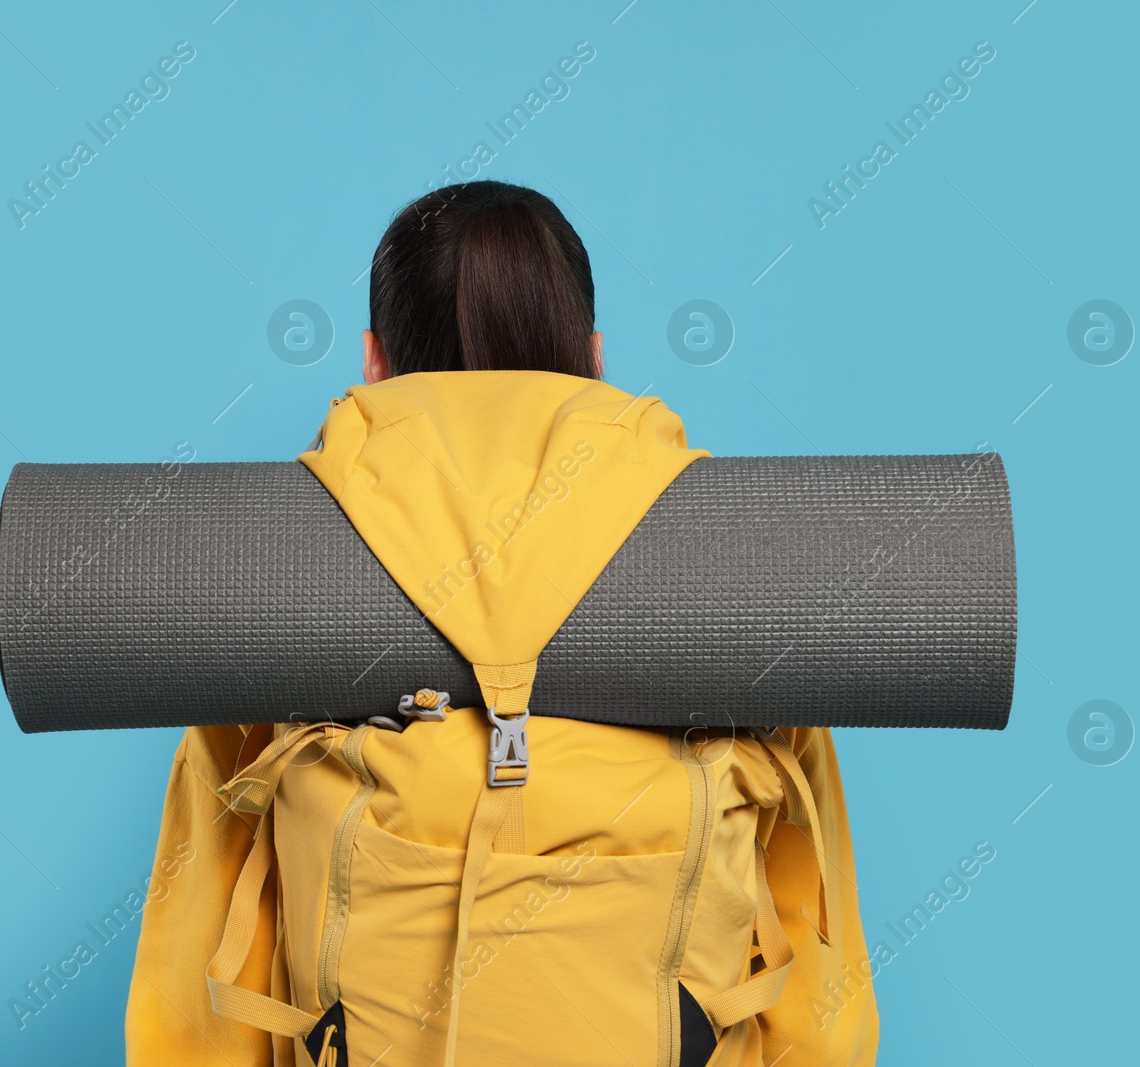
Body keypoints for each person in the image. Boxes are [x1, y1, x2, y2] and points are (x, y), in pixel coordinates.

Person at [125, 180, 879, 1065]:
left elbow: (194, 997)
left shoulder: (282, 595)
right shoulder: (736, 589)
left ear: (373, 361)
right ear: (595, 360)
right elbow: (822, 993)